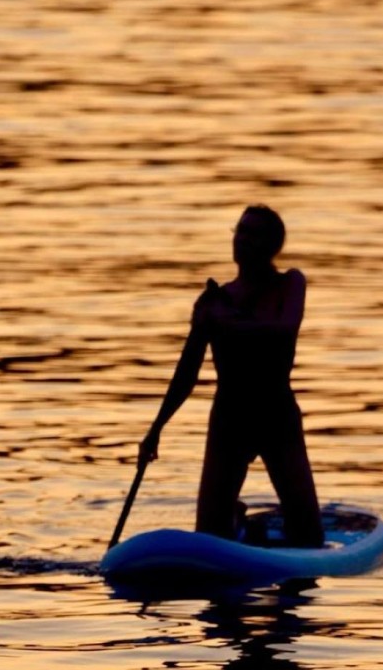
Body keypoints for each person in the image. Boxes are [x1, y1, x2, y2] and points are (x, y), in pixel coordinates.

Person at [139, 205, 324, 546]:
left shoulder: (289, 284)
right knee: (208, 535)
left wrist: (226, 320)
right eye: (239, 231)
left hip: (276, 415)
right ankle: (235, 520)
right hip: (229, 418)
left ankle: (245, 526)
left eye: (252, 234)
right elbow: (186, 372)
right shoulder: (211, 302)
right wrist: (156, 428)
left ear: (271, 246)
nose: (242, 240)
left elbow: (282, 330)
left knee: (310, 535)